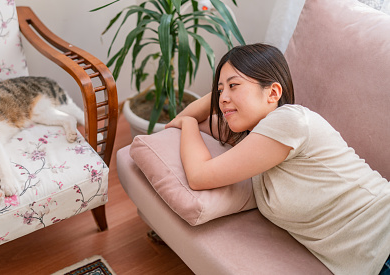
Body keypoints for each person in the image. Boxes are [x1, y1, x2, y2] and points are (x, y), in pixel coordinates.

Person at [165, 43, 390, 275]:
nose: (222, 99)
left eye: (234, 86)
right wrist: (203, 109)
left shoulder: (289, 121)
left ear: (273, 93)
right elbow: (181, 122)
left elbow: (198, 175)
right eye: (220, 91)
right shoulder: (256, 146)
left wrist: (189, 124)